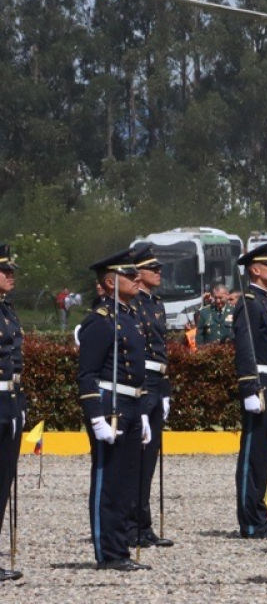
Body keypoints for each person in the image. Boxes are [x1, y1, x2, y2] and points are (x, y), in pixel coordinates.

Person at [77, 249, 152, 571]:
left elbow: (138, 370)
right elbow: (87, 374)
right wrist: (95, 417)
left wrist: (144, 410)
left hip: (132, 403)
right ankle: (107, 551)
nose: (138, 278)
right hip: (110, 406)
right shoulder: (101, 321)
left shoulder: (130, 316)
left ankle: (120, 547)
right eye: (130, 275)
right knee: (108, 481)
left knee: (127, 481)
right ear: (110, 282)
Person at [232, 242, 267, 539]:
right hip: (260, 382)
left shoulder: (265, 300)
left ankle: (260, 516)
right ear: (255, 269)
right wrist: (250, 386)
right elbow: (245, 347)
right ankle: (250, 520)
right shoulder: (250, 301)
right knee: (253, 453)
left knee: (265, 453)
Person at [128, 244, 175, 548]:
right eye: (152, 268)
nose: (159, 272)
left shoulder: (156, 304)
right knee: (138, 457)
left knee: (151, 456)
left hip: (158, 382)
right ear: (139, 274)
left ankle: (144, 525)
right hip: (143, 382)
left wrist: (166, 390)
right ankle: (132, 524)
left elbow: (162, 350)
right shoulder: (133, 305)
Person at [0, 244, 27, 581]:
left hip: (8, 404)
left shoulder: (8, 312)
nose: (11, 276)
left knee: (2, 483)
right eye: (5, 271)